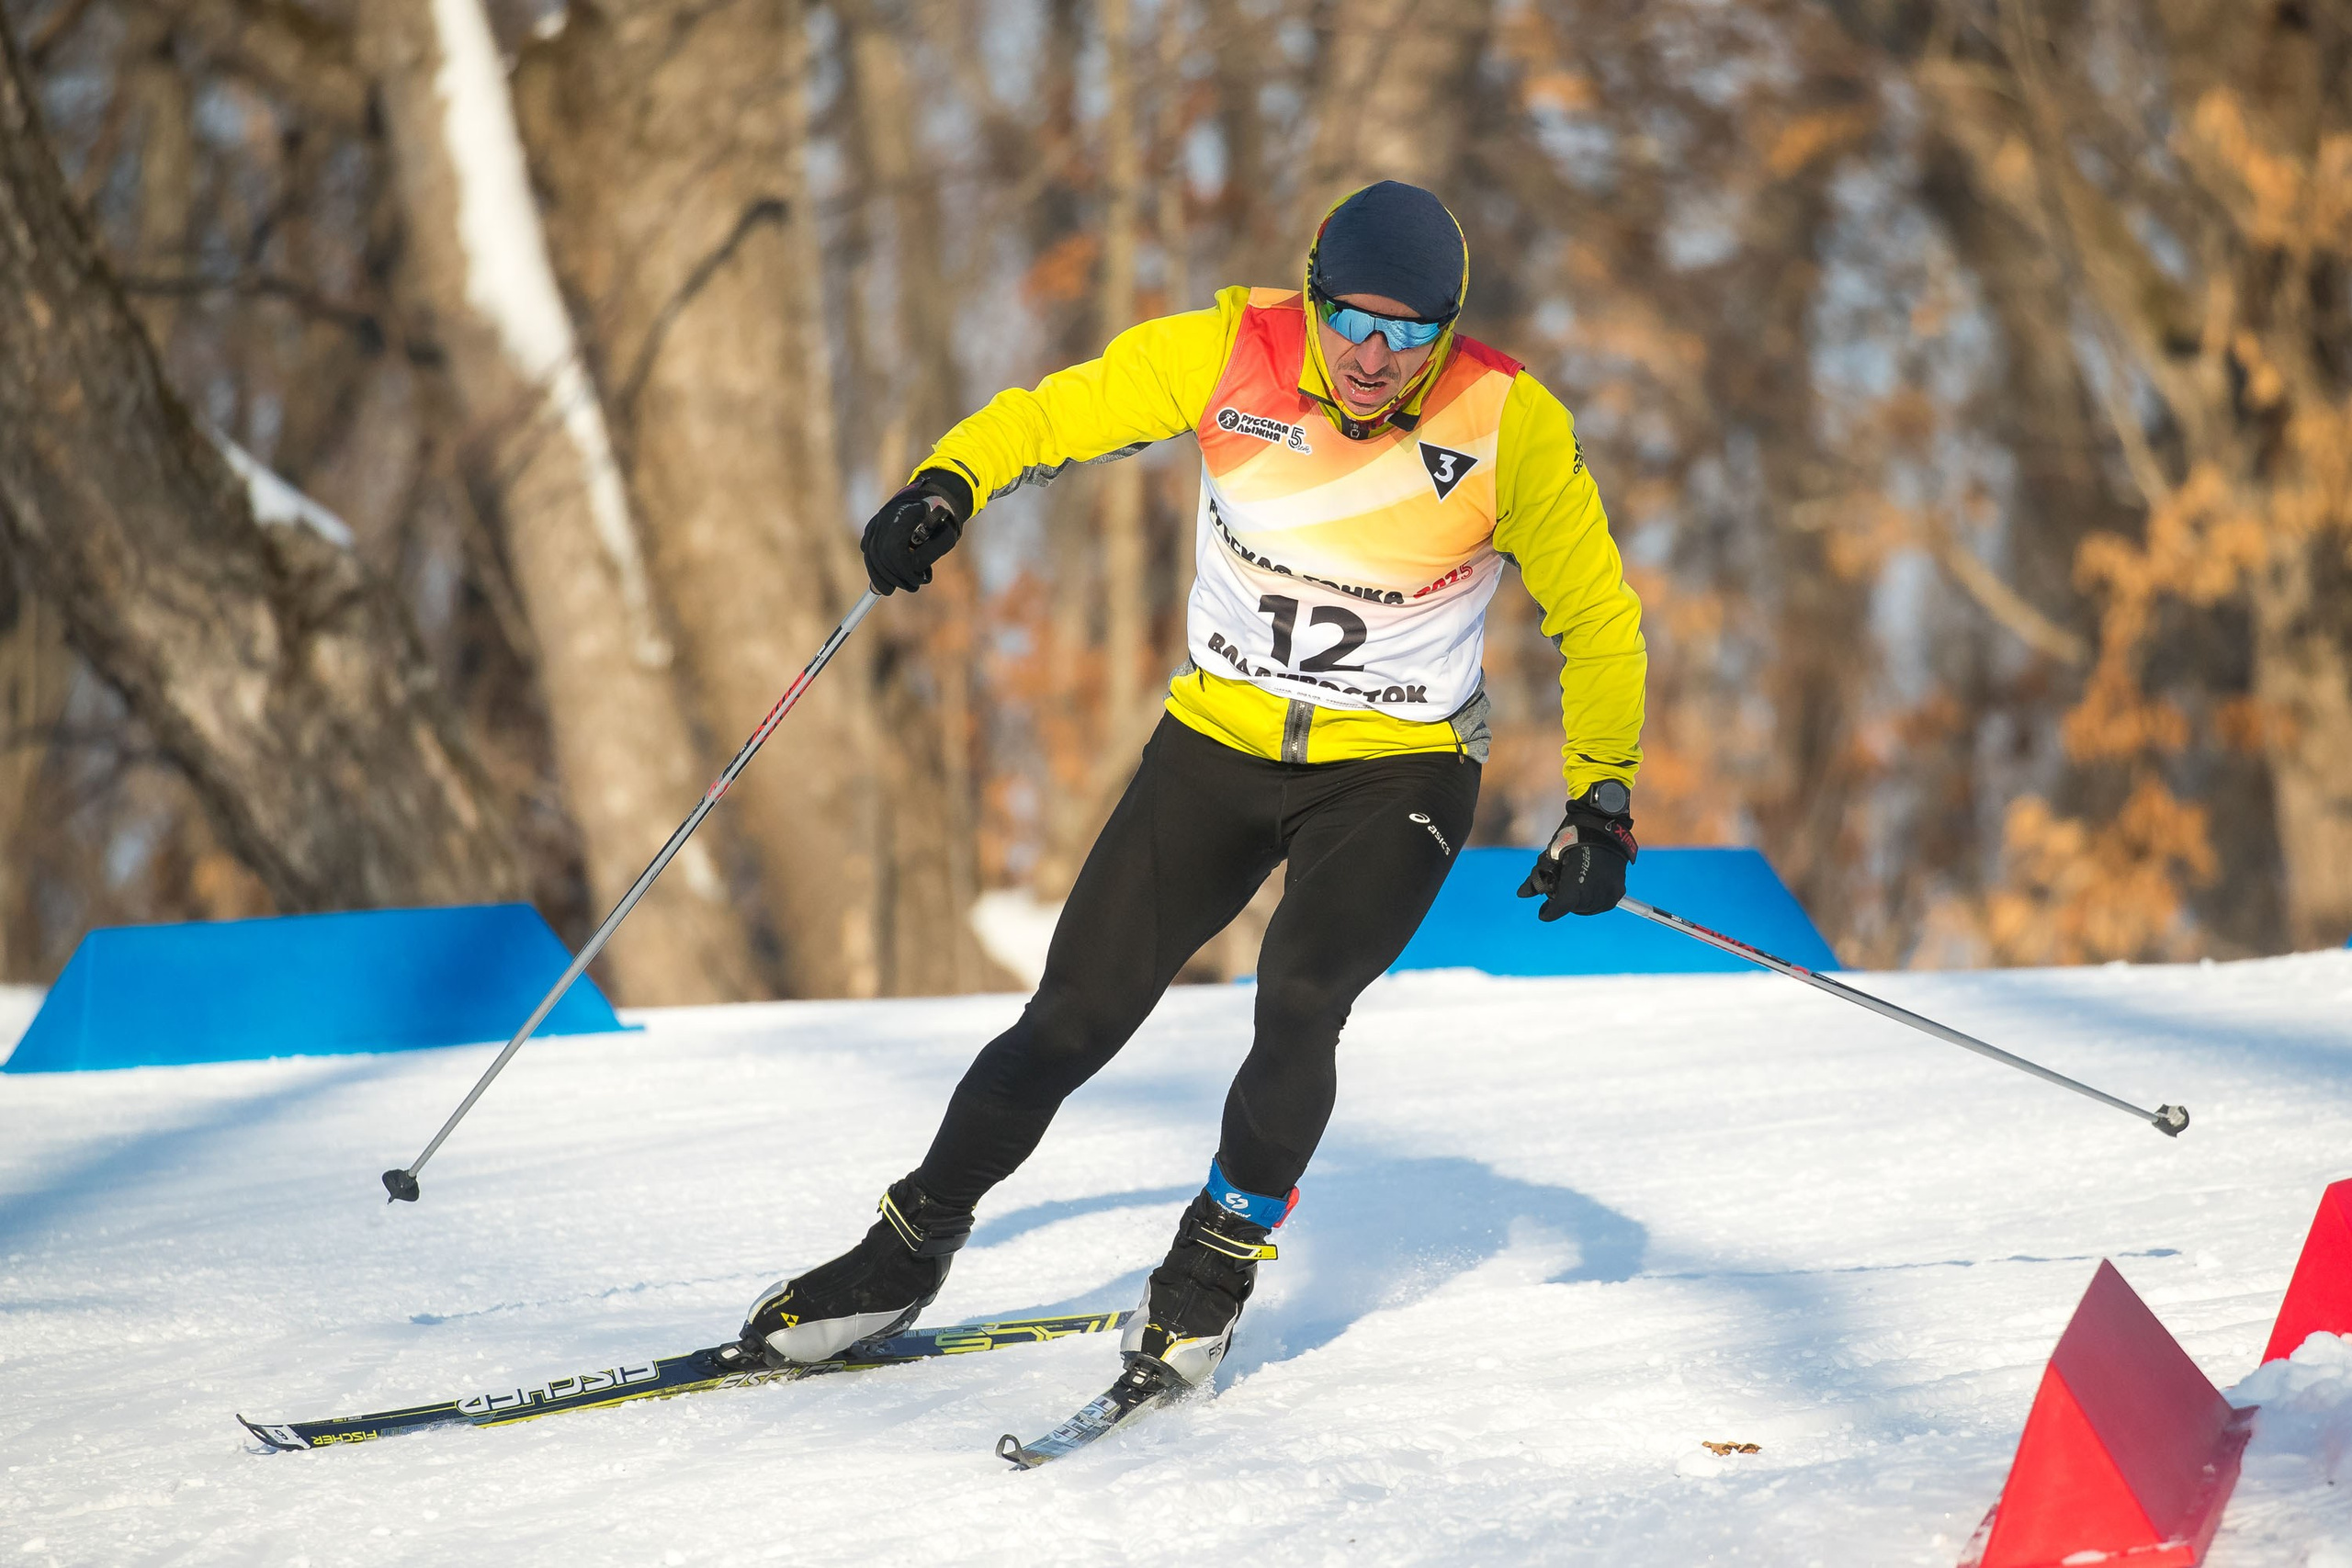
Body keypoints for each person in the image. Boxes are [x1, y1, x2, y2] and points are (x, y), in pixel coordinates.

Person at [729, 181, 1645, 1394]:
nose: (1374, 357)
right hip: (1216, 744)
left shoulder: (1506, 420)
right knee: (1069, 1019)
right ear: (1314, 296)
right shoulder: (1229, 351)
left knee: (1301, 994)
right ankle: (899, 1257)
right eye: (1352, 322)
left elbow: (1599, 619)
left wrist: (1603, 802)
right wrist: (945, 486)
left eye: (1409, 332)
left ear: (1449, 326)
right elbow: (1051, 416)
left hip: (1397, 768)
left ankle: (1207, 1279)